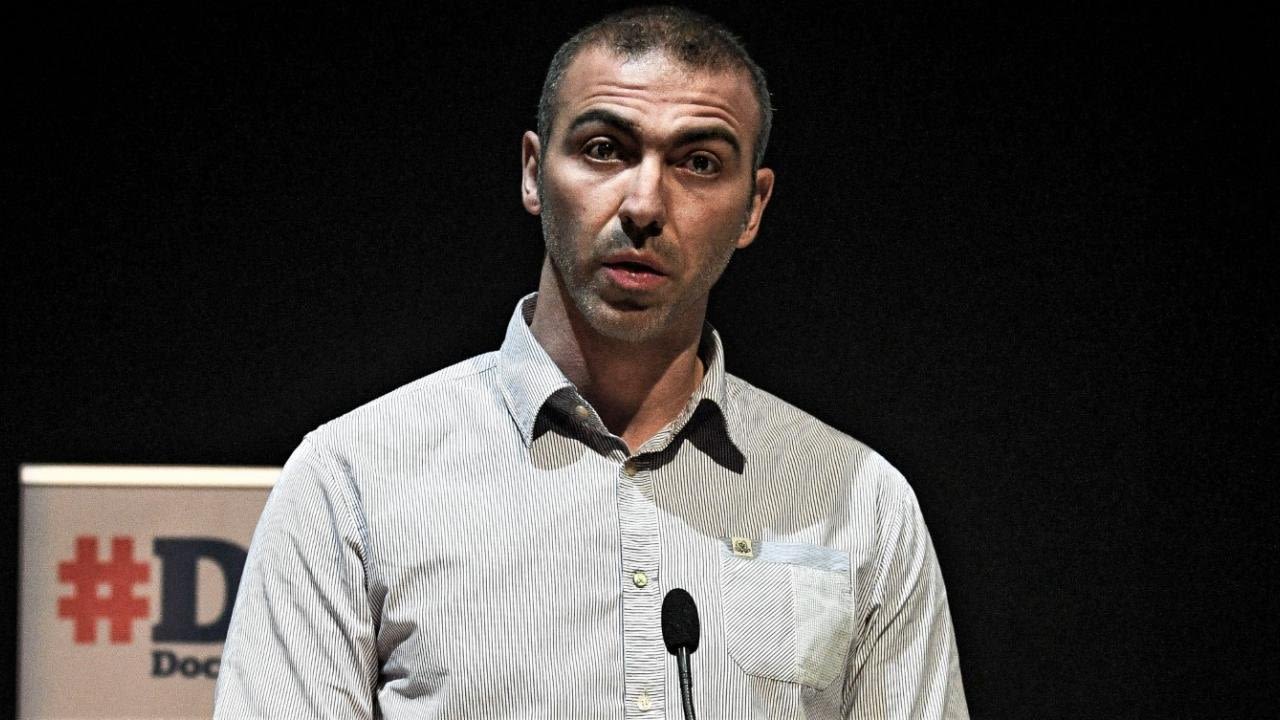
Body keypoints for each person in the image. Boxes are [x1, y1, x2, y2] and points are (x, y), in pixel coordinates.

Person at [214, 6, 968, 719]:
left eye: (699, 162)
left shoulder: (859, 499)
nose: (644, 204)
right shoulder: (353, 478)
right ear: (533, 173)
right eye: (605, 149)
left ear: (753, 208)